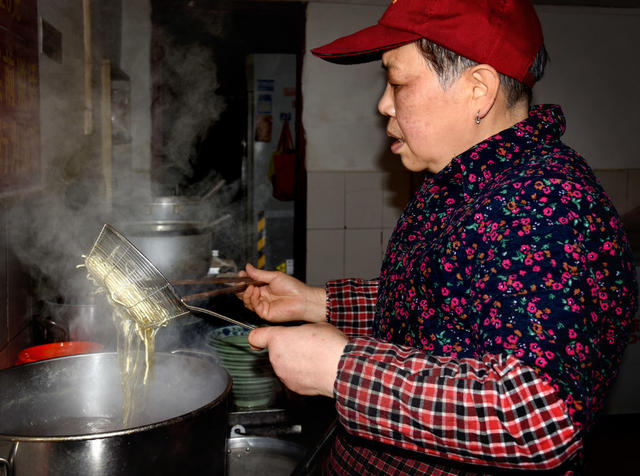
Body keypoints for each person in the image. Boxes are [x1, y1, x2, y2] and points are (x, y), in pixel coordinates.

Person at [239, 0, 638, 474]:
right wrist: (315, 304)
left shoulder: (551, 205)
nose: (383, 103)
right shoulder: (463, 181)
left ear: (478, 90)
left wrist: (341, 370)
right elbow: (442, 306)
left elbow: (537, 416)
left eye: (398, 81)